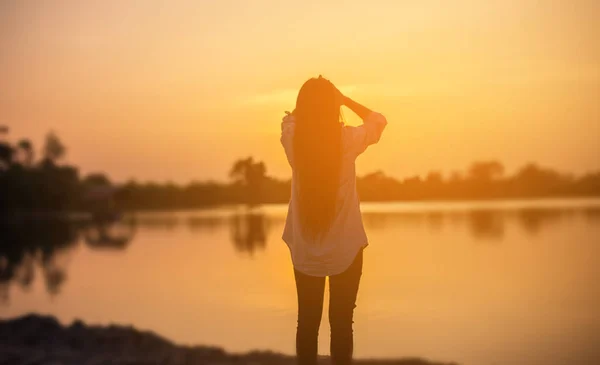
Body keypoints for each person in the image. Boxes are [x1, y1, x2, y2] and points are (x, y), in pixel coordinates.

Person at [280, 76, 387, 365]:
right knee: (342, 325)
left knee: (307, 322)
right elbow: (378, 121)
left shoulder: (293, 141)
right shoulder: (347, 140)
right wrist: (345, 100)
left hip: (305, 251)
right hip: (346, 250)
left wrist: (308, 103)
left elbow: (290, 120)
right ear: (332, 106)